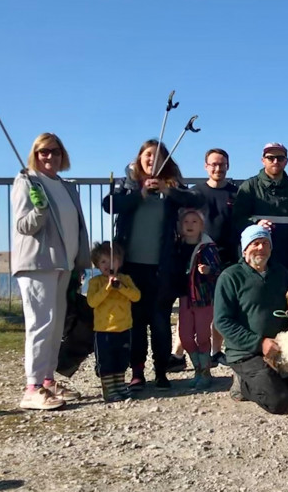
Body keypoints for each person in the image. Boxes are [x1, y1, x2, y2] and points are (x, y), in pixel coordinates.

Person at [102, 139, 202, 390]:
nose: (151, 160)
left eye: (157, 157)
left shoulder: (172, 186)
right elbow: (109, 205)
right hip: (132, 267)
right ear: (139, 158)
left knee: (159, 321)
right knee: (135, 321)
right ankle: (137, 372)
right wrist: (139, 194)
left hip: (162, 267)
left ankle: (160, 371)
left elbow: (195, 199)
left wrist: (167, 191)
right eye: (147, 155)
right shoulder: (129, 184)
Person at [11, 133, 90, 410]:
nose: (49, 156)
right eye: (43, 151)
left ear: (62, 155)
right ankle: (31, 387)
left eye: (55, 151)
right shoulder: (26, 181)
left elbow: (77, 228)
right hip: (37, 263)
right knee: (40, 323)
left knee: (56, 325)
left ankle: (47, 381)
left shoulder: (67, 187)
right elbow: (24, 226)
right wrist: (40, 209)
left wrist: (79, 262)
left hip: (64, 265)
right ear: (35, 153)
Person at [214, 226, 288, 414]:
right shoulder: (230, 277)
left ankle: (285, 378)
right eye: (255, 243)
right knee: (279, 402)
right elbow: (222, 321)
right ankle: (244, 385)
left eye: (265, 243)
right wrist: (260, 342)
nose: (261, 248)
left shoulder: (280, 273)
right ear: (245, 249)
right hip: (247, 352)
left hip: (280, 345)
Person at [232, 142, 288, 286]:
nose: (275, 161)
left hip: (287, 253)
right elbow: (237, 218)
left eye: (280, 158)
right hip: (258, 255)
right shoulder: (249, 186)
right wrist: (255, 224)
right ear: (263, 160)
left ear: (286, 161)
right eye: (271, 158)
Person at [192, 148, 239, 367]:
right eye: (213, 164)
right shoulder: (195, 193)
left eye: (221, 164)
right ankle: (179, 352)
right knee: (196, 307)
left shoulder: (236, 193)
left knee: (221, 306)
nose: (217, 168)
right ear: (205, 166)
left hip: (228, 256)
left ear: (228, 166)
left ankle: (216, 351)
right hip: (200, 255)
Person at [172, 208, 222, 390]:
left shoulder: (208, 247)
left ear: (201, 226)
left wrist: (208, 271)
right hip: (184, 296)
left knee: (202, 335)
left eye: (194, 222)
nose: (190, 225)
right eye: (186, 222)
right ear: (180, 226)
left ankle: (205, 372)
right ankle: (198, 368)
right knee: (185, 336)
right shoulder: (176, 245)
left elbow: (219, 271)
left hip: (203, 297)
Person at [86, 241, 140, 402]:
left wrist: (121, 287)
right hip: (104, 330)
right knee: (106, 360)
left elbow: (136, 296)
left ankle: (120, 385)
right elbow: (92, 302)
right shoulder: (95, 283)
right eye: (103, 261)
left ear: (119, 262)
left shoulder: (125, 279)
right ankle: (109, 388)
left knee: (121, 359)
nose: (108, 264)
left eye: (112, 260)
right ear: (97, 264)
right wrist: (107, 288)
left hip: (123, 328)